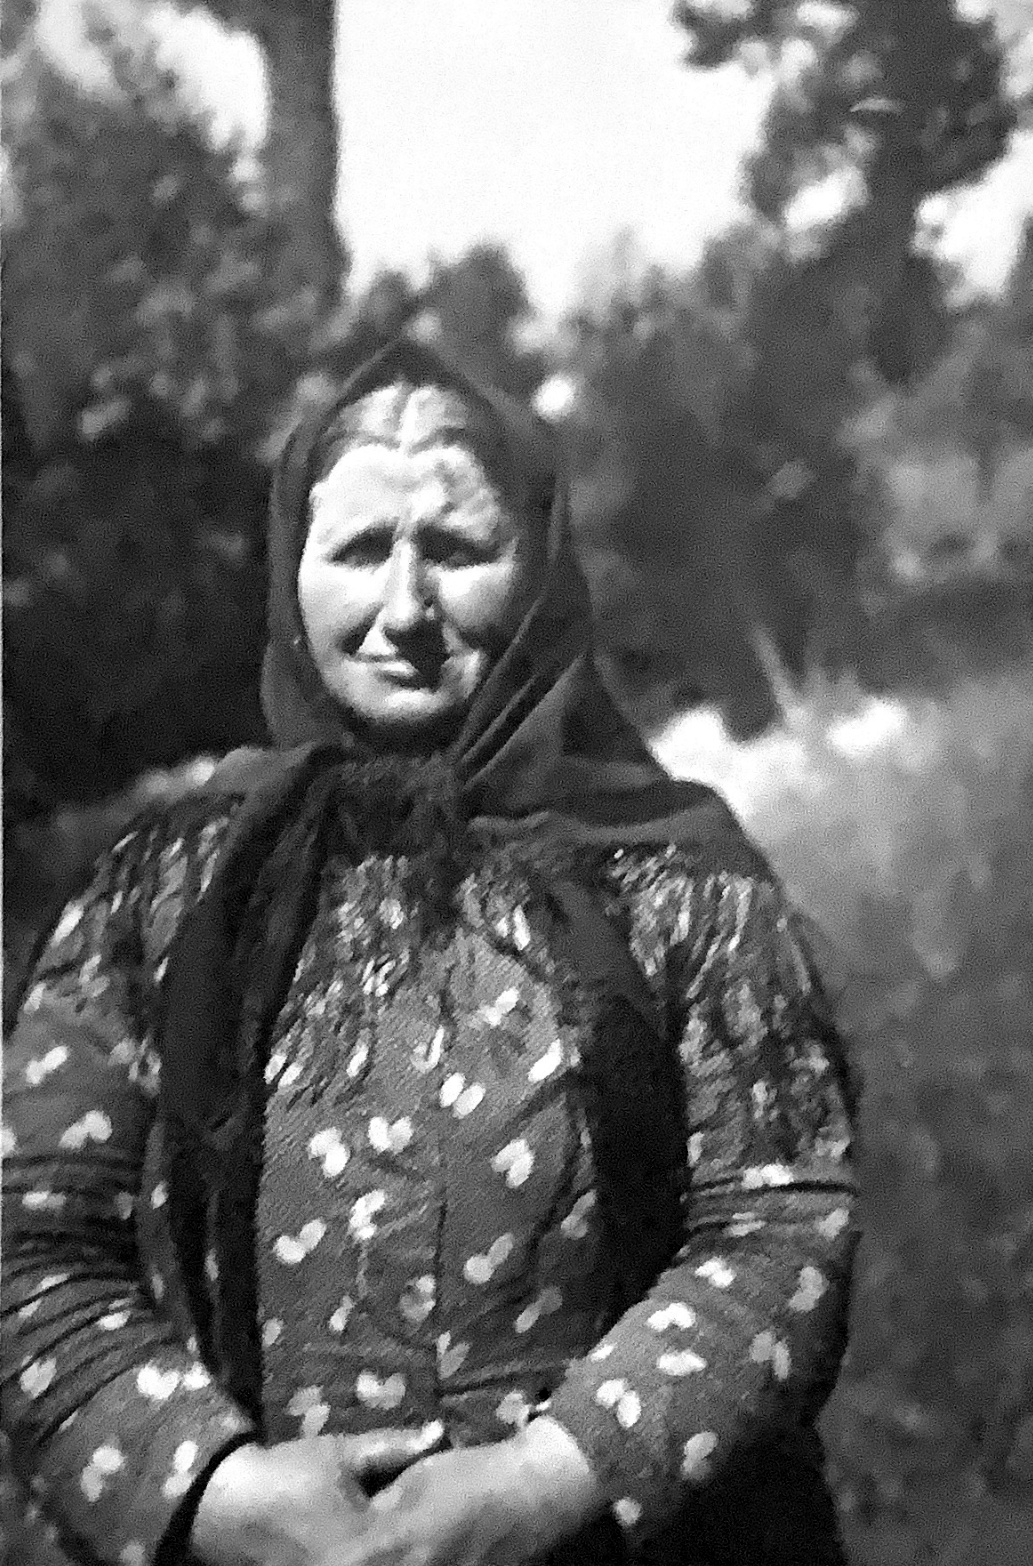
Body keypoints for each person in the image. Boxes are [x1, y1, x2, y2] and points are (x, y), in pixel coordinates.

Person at [2, 337, 858, 1566]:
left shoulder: (677, 880)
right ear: (291, 571)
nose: (403, 611)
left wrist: (546, 1484)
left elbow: (780, 1220)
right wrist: (215, 1493)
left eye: (454, 550)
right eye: (359, 551)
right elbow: (27, 1238)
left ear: (540, 569)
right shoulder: (164, 893)